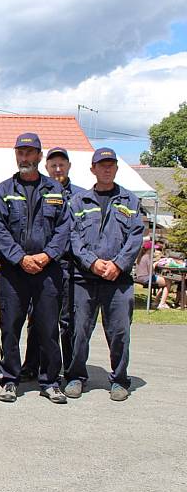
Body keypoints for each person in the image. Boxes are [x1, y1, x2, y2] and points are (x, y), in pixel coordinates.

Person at [0, 133, 70, 404]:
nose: (24, 157)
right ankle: (10, 379)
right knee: (10, 327)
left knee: (48, 328)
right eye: (20, 152)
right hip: (14, 271)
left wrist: (47, 256)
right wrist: (20, 258)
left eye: (30, 152)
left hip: (48, 272)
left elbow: (63, 229)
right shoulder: (3, 190)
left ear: (39, 155)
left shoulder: (56, 191)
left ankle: (49, 381)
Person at [66, 148, 144, 401]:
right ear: (93, 169)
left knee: (120, 332)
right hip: (85, 279)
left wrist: (118, 264)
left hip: (118, 281)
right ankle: (76, 376)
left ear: (116, 169)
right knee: (79, 331)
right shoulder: (79, 202)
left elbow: (135, 238)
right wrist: (92, 262)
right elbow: (73, 237)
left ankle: (120, 380)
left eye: (111, 165)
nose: (107, 169)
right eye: (102, 165)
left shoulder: (130, 201)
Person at [22, 147, 85, 380]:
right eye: (53, 165)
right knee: (36, 318)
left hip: (68, 264)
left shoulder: (80, 196)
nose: (58, 169)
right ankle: (32, 364)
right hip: (43, 265)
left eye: (62, 164)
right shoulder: (41, 190)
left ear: (69, 167)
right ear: (45, 166)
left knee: (66, 320)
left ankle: (67, 368)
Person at [135, 241, 172, 309]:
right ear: (150, 249)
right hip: (146, 278)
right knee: (168, 282)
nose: (155, 250)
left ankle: (156, 302)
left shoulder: (141, 256)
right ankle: (162, 303)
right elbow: (151, 271)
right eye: (154, 249)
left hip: (139, 277)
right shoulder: (147, 257)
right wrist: (154, 264)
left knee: (163, 282)